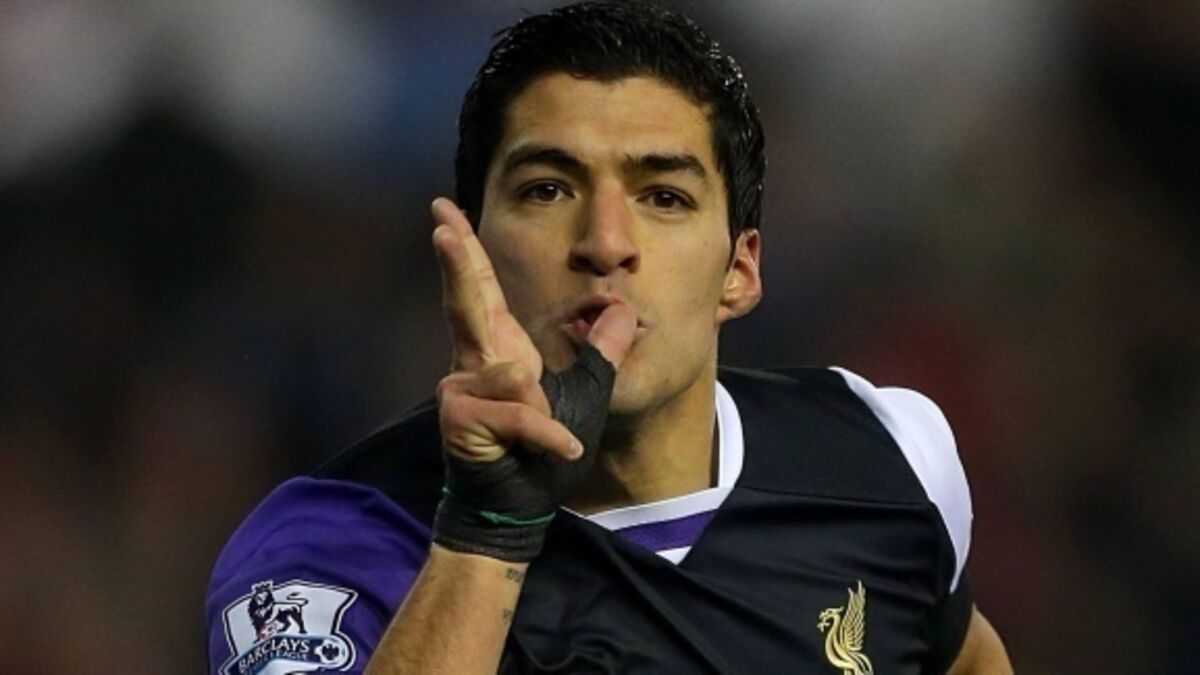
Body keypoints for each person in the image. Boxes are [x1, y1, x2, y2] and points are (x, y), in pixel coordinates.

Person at [206, 2, 1012, 673]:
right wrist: (487, 531)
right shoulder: (325, 551)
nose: (605, 242)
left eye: (664, 197)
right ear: (475, 250)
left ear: (740, 271)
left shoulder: (884, 456)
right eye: (547, 189)